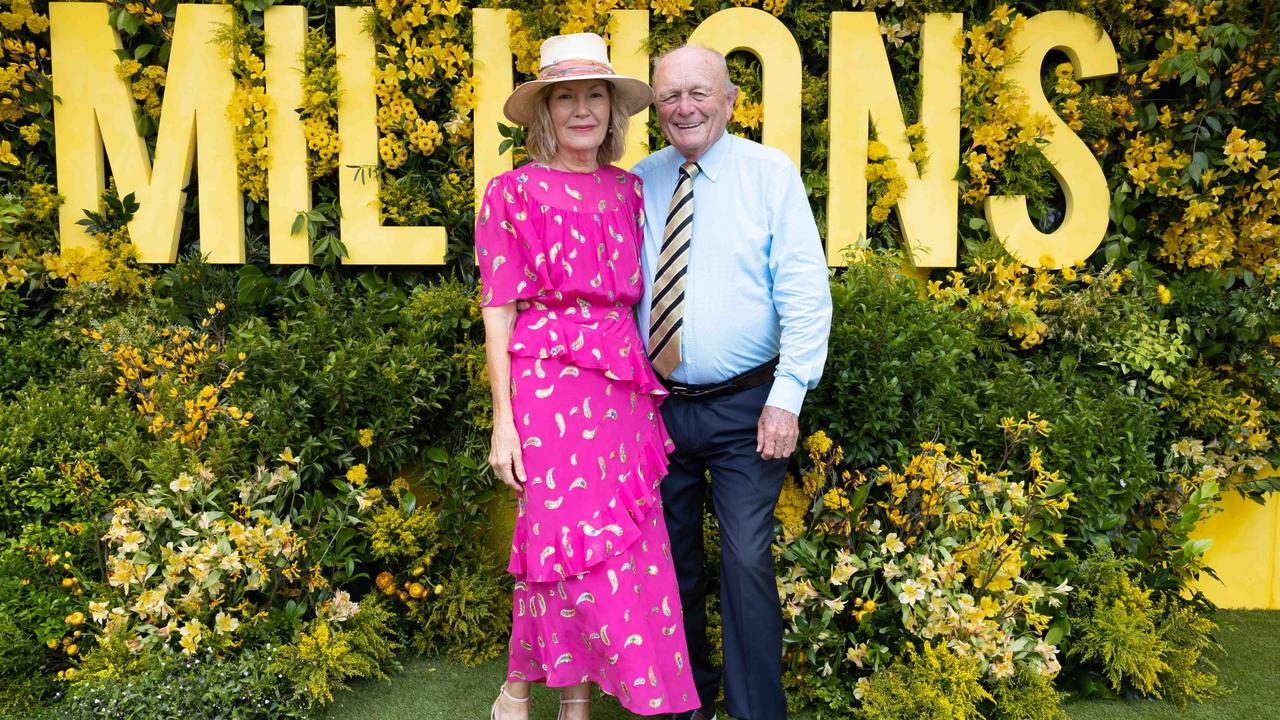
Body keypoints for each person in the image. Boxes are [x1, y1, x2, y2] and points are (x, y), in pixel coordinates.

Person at [477, 33, 699, 720]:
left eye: (594, 95)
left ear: (612, 109)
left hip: (621, 384)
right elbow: (498, 310)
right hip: (545, 379)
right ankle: (518, 687)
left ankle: (576, 707)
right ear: (545, 111)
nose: (581, 110)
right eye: (565, 97)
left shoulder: (631, 191)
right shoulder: (510, 192)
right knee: (557, 535)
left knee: (615, 543)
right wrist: (503, 421)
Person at [632, 45, 833, 720]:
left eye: (698, 93)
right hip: (659, 408)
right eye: (669, 97)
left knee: (745, 559)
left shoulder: (768, 175)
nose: (683, 108)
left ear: (730, 100)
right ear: (655, 108)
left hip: (749, 406)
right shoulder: (641, 181)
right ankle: (687, 702)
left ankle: (755, 713)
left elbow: (806, 295)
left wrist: (787, 398)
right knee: (669, 562)